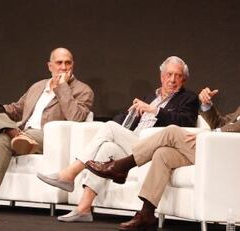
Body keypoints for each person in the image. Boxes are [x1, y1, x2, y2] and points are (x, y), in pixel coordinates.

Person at [37, 56, 199, 222]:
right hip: (133, 143)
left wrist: (154, 111)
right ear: (162, 76)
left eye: (178, 76)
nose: (172, 80)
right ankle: (84, 209)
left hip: (152, 147)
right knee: (107, 147)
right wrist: (130, 115)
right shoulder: (151, 96)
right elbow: (120, 118)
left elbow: (185, 122)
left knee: (108, 127)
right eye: (169, 74)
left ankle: (70, 173)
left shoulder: (189, 99)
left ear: (184, 79)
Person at [85, 87, 240, 230]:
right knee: (163, 154)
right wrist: (207, 105)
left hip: (226, 156)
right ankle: (147, 214)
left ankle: (122, 166)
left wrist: (210, 134)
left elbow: (229, 130)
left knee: (171, 131)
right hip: (214, 149)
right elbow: (222, 124)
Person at [0, 47, 94, 215]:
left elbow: (76, 117)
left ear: (73, 65)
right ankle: (15, 135)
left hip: (47, 137)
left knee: (4, 139)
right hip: (25, 133)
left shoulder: (83, 90)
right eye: (59, 63)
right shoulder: (38, 86)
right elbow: (16, 109)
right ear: (50, 66)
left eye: (67, 63)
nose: (63, 67)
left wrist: (62, 87)